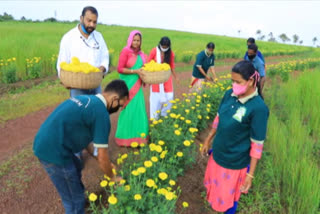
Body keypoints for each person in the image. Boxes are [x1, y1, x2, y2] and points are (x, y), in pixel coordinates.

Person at [33, 80, 128, 214]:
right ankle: (76, 203)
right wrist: (112, 177)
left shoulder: (84, 99)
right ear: (115, 99)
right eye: (120, 105)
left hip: (45, 142)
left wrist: (97, 157)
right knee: (73, 201)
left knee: (77, 166)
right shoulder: (101, 114)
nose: (118, 109)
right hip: (54, 152)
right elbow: (103, 157)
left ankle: (77, 195)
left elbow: (88, 143)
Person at [201, 61, 269, 214]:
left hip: (234, 163)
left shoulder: (258, 108)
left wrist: (250, 175)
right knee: (215, 191)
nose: (234, 85)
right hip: (218, 154)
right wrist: (208, 139)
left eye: (238, 82)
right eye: (232, 81)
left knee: (229, 199)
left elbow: (257, 145)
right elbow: (218, 119)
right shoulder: (229, 94)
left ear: (251, 81)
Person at [56, 6, 109, 97]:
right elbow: (62, 62)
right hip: (77, 87)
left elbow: (105, 57)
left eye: (94, 22)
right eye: (89, 21)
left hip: (95, 84)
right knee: (79, 110)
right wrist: (64, 80)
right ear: (81, 18)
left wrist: (102, 68)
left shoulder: (99, 37)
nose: (92, 25)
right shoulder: (69, 37)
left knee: (96, 109)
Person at [115, 30, 149, 146]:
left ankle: (139, 138)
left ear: (140, 42)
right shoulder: (125, 52)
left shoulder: (142, 55)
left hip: (138, 87)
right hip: (128, 85)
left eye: (138, 40)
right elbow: (120, 69)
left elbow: (145, 67)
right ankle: (125, 138)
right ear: (130, 40)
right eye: (134, 40)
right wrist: (135, 71)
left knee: (139, 110)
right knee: (128, 109)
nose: (136, 42)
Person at [148, 36, 178, 119]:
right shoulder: (154, 51)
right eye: (163, 46)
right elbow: (148, 63)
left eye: (166, 47)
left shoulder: (171, 53)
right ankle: (154, 119)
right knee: (155, 100)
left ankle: (164, 115)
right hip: (156, 79)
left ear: (168, 46)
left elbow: (171, 66)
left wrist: (176, 77)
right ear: (160, 44)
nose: (164, 48)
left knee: (170, 97)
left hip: (166, 78)